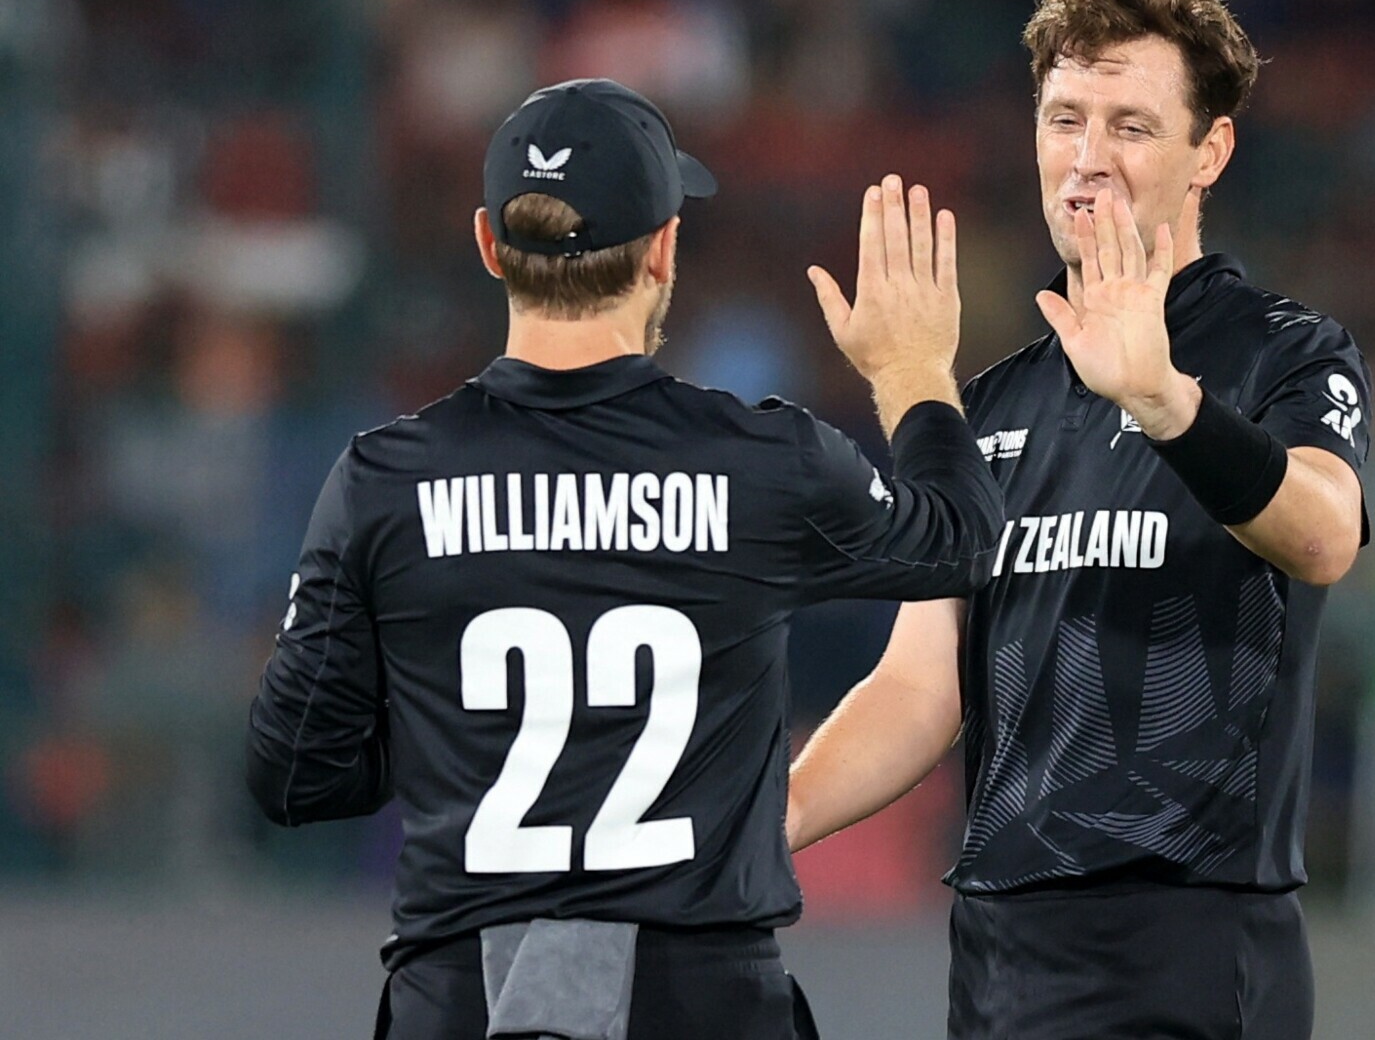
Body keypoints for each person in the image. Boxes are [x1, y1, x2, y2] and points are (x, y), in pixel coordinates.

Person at [244, 78, 1003, 1040]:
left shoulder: (384, 481)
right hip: (699, 996)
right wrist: (911, 372)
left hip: (462, 995)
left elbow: (293, 774)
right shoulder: (762, 463)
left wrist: (459, 727)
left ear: (489, 244)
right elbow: (966, 545)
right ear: (663, 249)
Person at [787, 0, 1372, 1037]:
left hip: (1191, 943)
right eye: (1065, 118)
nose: (1088, 159)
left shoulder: (1279, 356)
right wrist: (755, 825)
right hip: (1001, 950)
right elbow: (921, 688)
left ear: (1212, 152)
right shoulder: (993, 403)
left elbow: (1326, 533)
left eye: (1132, 126)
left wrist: (1163, 402)